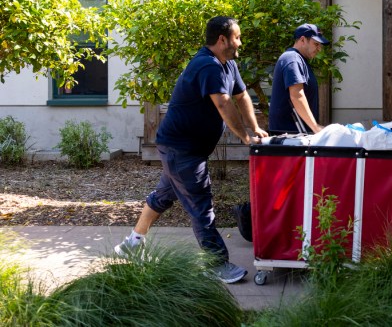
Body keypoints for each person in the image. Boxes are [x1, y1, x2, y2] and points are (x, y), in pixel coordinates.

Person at [115, 16, 268, 284]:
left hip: (185, 148)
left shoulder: (227, 64)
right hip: (180, 149)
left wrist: (254, 128)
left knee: (163, 196)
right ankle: (216, 264)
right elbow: (223, 104)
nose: (240, 43)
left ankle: (132, 243)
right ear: (222, 40)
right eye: (237, 38)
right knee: (201, 206)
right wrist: (244, 135)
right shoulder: (206, 66)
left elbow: (241, 96)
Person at [268, 23, 330, 134]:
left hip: (296, 135)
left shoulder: (298, 59)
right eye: (316, 44)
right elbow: (297, 95)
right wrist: (316, 128)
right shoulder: (292, 59)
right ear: (302, 40)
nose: (319, 49)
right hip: (289, 137)